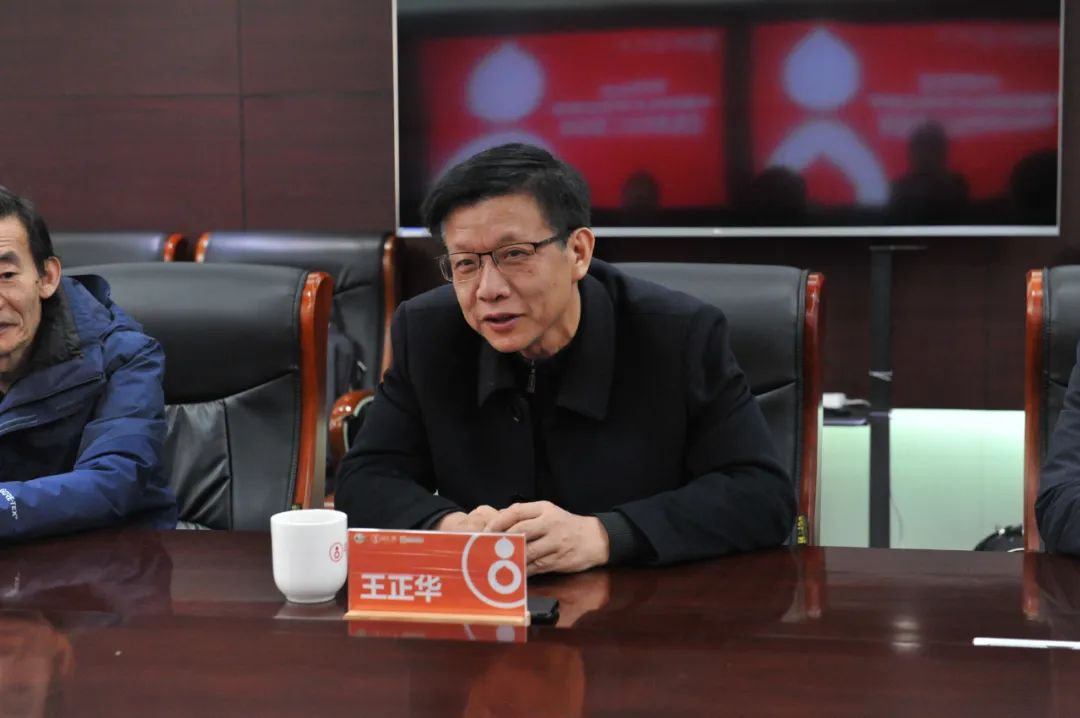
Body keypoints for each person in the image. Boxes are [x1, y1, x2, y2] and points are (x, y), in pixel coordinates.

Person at [335, 143, 793, 574]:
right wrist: (448, 527)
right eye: (466, 264)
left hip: (641, 610)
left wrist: (606, 535)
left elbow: (762, 496)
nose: (488, 289)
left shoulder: (679, 335)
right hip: (483, 608)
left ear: (578, 252)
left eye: (514, 254)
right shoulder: (426, 332)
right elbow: (366, 479)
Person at [0, 187, 176, 540]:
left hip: (110, 557)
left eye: (6, 276)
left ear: (47, 277)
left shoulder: (124, 355)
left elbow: (114, 481)